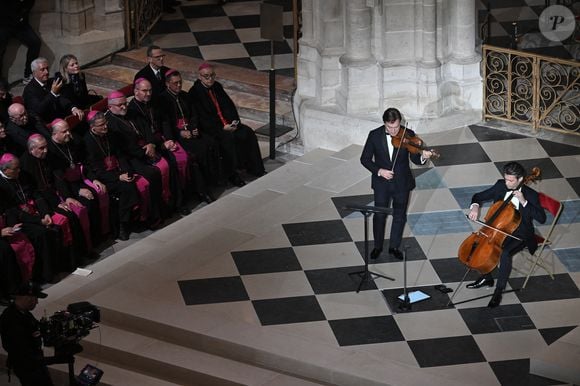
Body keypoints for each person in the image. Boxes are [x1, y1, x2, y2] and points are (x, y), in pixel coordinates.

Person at [465, 161, 546, 307]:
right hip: (496, 229)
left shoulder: (531, 195)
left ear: (520, 179)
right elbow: (478, 196)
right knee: (478, 247)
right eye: (506, 178)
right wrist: (475, 207)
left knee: (505, 254)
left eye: (511, 180)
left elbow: (541, 218)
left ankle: (498, 291)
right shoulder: (500, 185)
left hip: (520, 233)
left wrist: (524, 202)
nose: (507, 183)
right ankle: (486, 277)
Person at [360, 108, 433, 261]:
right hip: (381, 184)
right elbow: (365, 159)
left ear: (401, 122)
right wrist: (379, 171)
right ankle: (378, 246)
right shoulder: (374, 135)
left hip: (402, 183)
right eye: (390, 127)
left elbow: (415, 159)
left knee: (399, 216)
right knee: (379, 215)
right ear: (384, 123)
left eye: (396, 127)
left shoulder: (409, 135)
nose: (393, 131)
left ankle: (394, 247)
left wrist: (423, 157)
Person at [189, 62, 265, 186]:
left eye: (212, 75)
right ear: (200, 77)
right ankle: (232, 174)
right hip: (212, 129)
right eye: (206, 76)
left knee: (248, 132)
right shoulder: (195, 93)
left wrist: (233, 123)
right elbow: (202, 118)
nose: (210, 79)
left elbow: (229, 106)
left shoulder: (217, 86)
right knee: (228, 139)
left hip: (227, 124)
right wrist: (222, 127)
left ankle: (254, 168)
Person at [0, 281, 54, 386]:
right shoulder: (11, 319)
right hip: (27, 368)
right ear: (27, 298)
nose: (37, 302)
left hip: (35, 364)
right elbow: (23, 351)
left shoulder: (23, 313)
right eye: (36, 298)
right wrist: (53, 360)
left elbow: (34, 330)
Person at [22, 57, 84, 124]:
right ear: (34, 73)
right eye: (42, 70)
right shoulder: (30, 90)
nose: (47, 72)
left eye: (47, 68)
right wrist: (52, 93)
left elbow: (61, 98)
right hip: (46, 123)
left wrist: (73, 108)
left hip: (61, 118)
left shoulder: (51, 82)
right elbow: (39, 110)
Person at [0, 0, 41, 82]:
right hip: (4, 23)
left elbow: (27, 7)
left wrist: (21, 19)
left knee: (35, 43)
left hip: (21, 25)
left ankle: (29, 74)